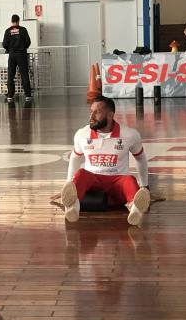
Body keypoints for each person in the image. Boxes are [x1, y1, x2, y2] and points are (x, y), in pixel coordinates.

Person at [59, 95, 152, 226]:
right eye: (91, 111)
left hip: (117, 181)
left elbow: (141, 158)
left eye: (96, 112)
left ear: (110, 115)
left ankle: (135, 210)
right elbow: (75, 158)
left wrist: (145, 185)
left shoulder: (130, 134)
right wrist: (68, 184)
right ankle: (72, 208)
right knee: (81, 174)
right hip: (93, 182)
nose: (91, 116)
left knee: (129, 180)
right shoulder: (82, 134)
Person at [2, 14, 32, 105]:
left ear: (11, 21)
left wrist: (10, 49)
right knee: (24, 74)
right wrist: (23, 48)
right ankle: (27, 95)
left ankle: (10, 95)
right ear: (18, 21)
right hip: (21, 54)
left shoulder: (7, 31)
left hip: (12, 55)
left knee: (10, 75)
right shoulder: (23, 30)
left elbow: (4, 44)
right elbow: (28, 42)